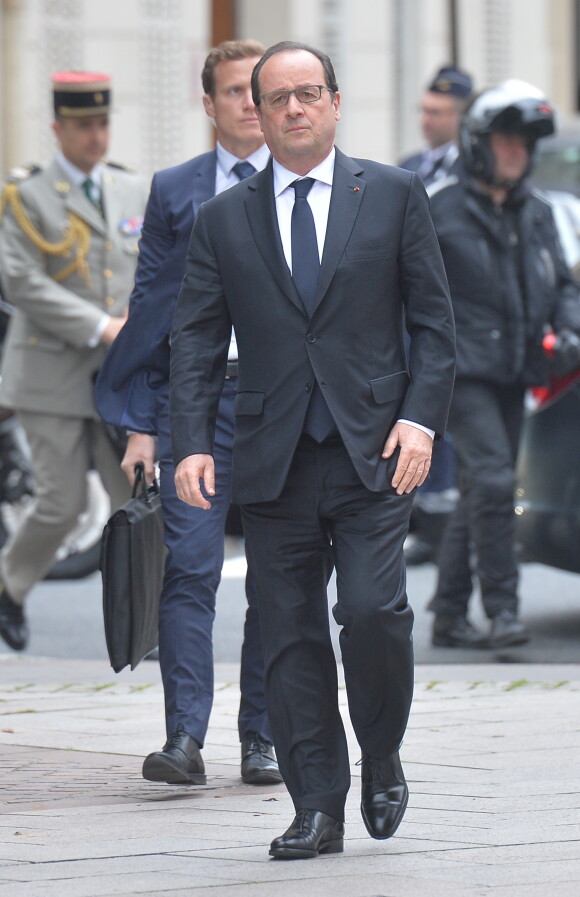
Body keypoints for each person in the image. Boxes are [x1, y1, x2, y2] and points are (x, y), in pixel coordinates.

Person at [170, 41, 455, 859]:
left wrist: (420, 420)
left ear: (334, 102)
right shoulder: (223, 218)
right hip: (271, 458)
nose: (294, 109)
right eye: (277, 98)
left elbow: (436, 327)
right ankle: (316, 805)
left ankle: (383, 750)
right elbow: (194, 342)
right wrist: (191, 442)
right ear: (254, 114)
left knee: (373, 613)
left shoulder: (395, 194)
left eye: (309, 93)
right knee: (289, 635)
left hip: (374, 450)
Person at [95, 41, 281, 787]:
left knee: (275, 575)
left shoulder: (308, 180)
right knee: (191, 569)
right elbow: (149, 311)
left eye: (256, 90)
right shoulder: (175, 190)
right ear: (209, 104)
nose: (249, 103)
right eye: (233, 91)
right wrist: (142, 420)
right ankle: (184, 738)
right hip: (193, 403)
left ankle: (263, 738)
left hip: (279, 405)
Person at [427, 81, 580, 650]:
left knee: (479, 493)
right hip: (460, 372)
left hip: (516, 370)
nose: (516, 151)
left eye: (524, 142)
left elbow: (563, 283)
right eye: (506, 139)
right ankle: (504, 611)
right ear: (478, 143)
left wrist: (568, 329)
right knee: (493, 480)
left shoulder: (537, 212)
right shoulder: (438, 207)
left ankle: (446, 615)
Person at [0, 72, 147, 652]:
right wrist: (101, 325)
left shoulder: (132, 189)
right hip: (51, 375)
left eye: (103, 123)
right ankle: (9, 588)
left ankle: (144, 620)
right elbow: (20, 280)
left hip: (117, 377)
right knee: (60, 505)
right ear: (59, 128)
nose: (96, 136)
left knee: (133, 506)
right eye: (84, 125)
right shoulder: (25, 196)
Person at [399, 65, 473, 566]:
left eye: (438, 112)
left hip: (458, 316)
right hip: (407, 315)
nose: (427, 120)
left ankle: (445, 527)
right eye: (424, 111)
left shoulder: (472, 173)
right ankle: (424, 517)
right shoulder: (409, 168)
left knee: (447, 424)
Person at [399, 64, 473, 186]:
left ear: (460, 116)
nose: (424, 120)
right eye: (423, 111)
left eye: (435, 113)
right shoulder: (408, 166)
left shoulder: (470, 170)